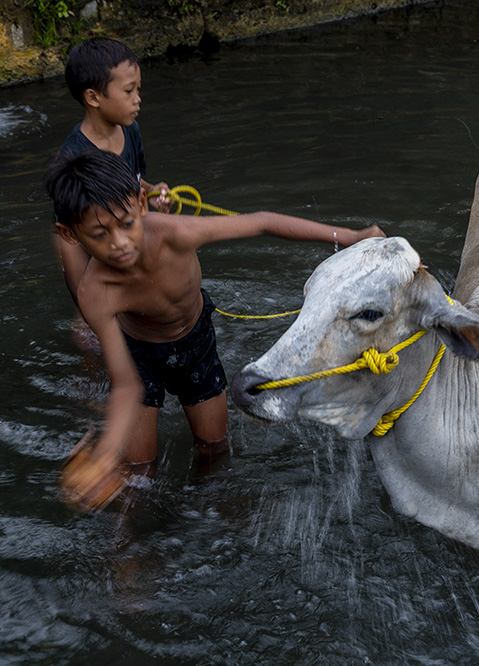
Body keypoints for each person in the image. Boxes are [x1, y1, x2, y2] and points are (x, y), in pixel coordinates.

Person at [44, 150, 384, 511]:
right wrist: (105, 455)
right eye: (99, 234)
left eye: (126, 223)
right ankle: (127, 546)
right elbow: (127, 383)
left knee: (214, 446)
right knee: (138, 472)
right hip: (141, 353)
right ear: (71, 234)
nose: (119, 243)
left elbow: (262, 222)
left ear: (142, 204)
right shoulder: (96, 293)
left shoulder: (175, 234)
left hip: (196, 345)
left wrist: (348, 236)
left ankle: (217, 506)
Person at [54, 36, 171, 314]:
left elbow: (133, 180)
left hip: (127, 243)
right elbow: (66, 236)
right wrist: (85, 306)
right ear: (93, 97)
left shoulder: (130, 129)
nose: (138, 99)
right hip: (101, 252)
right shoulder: (74, 158)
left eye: (138, 89)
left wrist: (153, 192)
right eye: (129, 91)